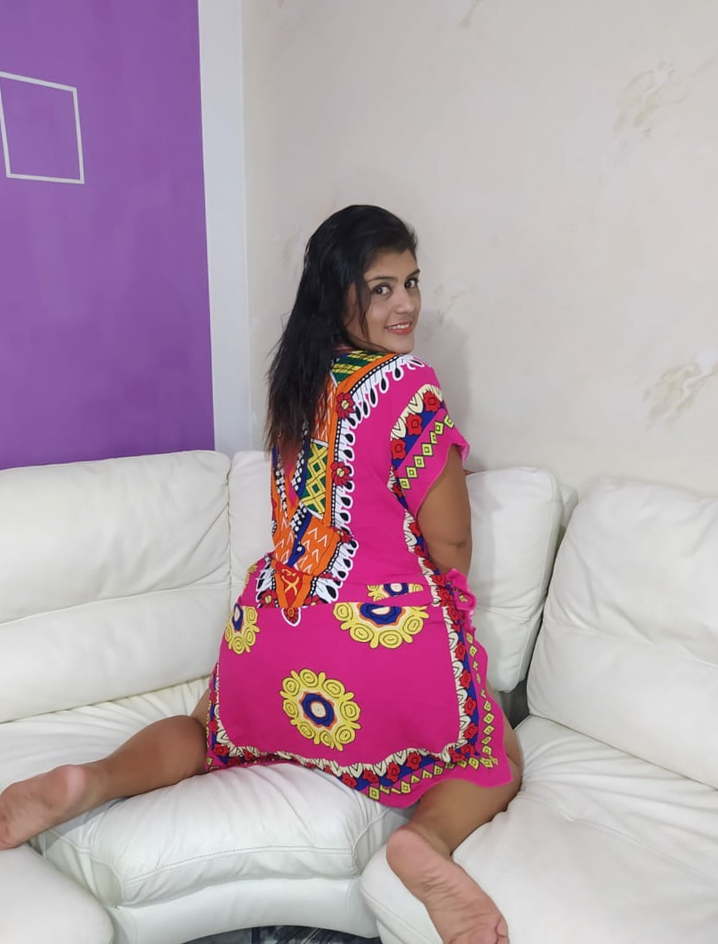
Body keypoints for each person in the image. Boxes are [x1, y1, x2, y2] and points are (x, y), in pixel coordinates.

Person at [0, 205, 522, 944]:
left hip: (273, 633)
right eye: (380, 288)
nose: (405, 304)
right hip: (374, 635)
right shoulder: (409, 383)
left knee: (203, 731)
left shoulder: (297, 386)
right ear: (338, 294)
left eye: (411, 282)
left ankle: (95, 779)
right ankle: (423, 844)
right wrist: (440, 617)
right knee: (494, 753)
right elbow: (452, 541)